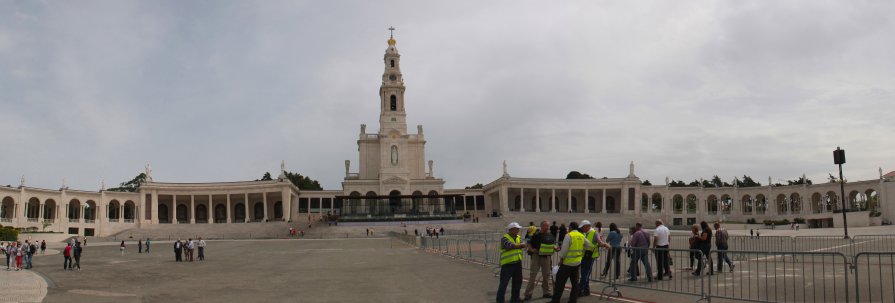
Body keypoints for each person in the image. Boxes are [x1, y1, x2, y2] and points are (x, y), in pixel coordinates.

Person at [550, 221, 592, 303]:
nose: (568, 229)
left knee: (560, 283)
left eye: (569, 227)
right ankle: (573, 300)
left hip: (567, 263)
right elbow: (589, 245)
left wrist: (561, 258)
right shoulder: (581, 235)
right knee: (575, 284)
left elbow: (564, 250)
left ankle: (555, 300)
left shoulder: (569, 235)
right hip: (577, 263)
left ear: (571, 227)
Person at [523, 221, 556, 301]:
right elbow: (529, 243)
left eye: (548, 226)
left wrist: (555, 248)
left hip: (546, 257)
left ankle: (546, 292)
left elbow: (552, 244)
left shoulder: (550, 235)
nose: (548, 227)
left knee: (546, 275)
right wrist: (531, 249)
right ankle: (528, 294)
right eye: (546, 226)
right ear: (541, 226)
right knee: (533, 275)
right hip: (536, 256)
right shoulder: (536, 235)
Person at [496, 222, 526, 303]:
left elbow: (522, 244)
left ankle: (515, 299)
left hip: (517, 263)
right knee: (504, 284)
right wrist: (521, 245)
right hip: (508, 264)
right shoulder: (505, 238)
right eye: (517, 229)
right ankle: (500, 300)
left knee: (517, 282)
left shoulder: (518, 237)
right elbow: (509, 246)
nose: (518, 230)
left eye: (518, 229)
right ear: (511, 230)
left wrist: (521, 245)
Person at [578, 220, 610, 297]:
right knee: (584, 273)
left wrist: (605, 245)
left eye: (583, 227)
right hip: (582, 255)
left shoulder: (594, 233)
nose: (582, 229)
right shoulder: (583, 233)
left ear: (587, 226)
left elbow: (599, 242)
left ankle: (580, 290)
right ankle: (586, 290)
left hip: (590, 256)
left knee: (585, 274)